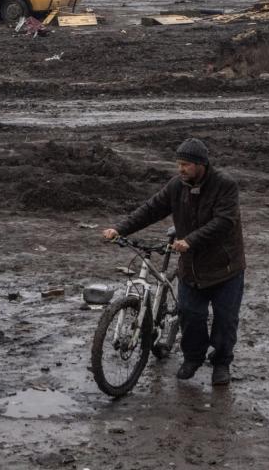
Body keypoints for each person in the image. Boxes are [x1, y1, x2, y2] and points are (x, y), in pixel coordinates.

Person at [101, 138, 245, 386]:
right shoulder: (176, 186)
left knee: (225, 320)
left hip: (226, 268)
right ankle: (192, 358)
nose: (181, 169)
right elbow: (151, 209)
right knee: (190, 315)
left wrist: (190, 240)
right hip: (191, 268)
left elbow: (224, 222)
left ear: (201, 164)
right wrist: (120, 229)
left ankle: (221, 363)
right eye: (179, 164)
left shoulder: (225, 185)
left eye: (186, 164)